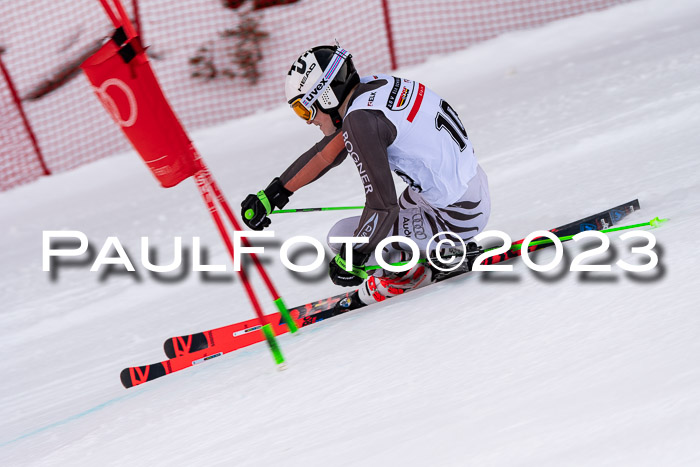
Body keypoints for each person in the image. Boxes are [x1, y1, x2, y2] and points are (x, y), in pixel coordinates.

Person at [241, 45, 490, 304]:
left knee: (340, 237)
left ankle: (412, 274)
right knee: (375, 227)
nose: (308, 120)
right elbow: (326, 154)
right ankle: (439, 249)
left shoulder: (361, 120)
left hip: (456, 215)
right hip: (463, 191)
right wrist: (275, 193)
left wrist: (354, 256)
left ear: (326, 96)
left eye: (306, 109)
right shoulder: (373, 88)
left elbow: (383, 206)